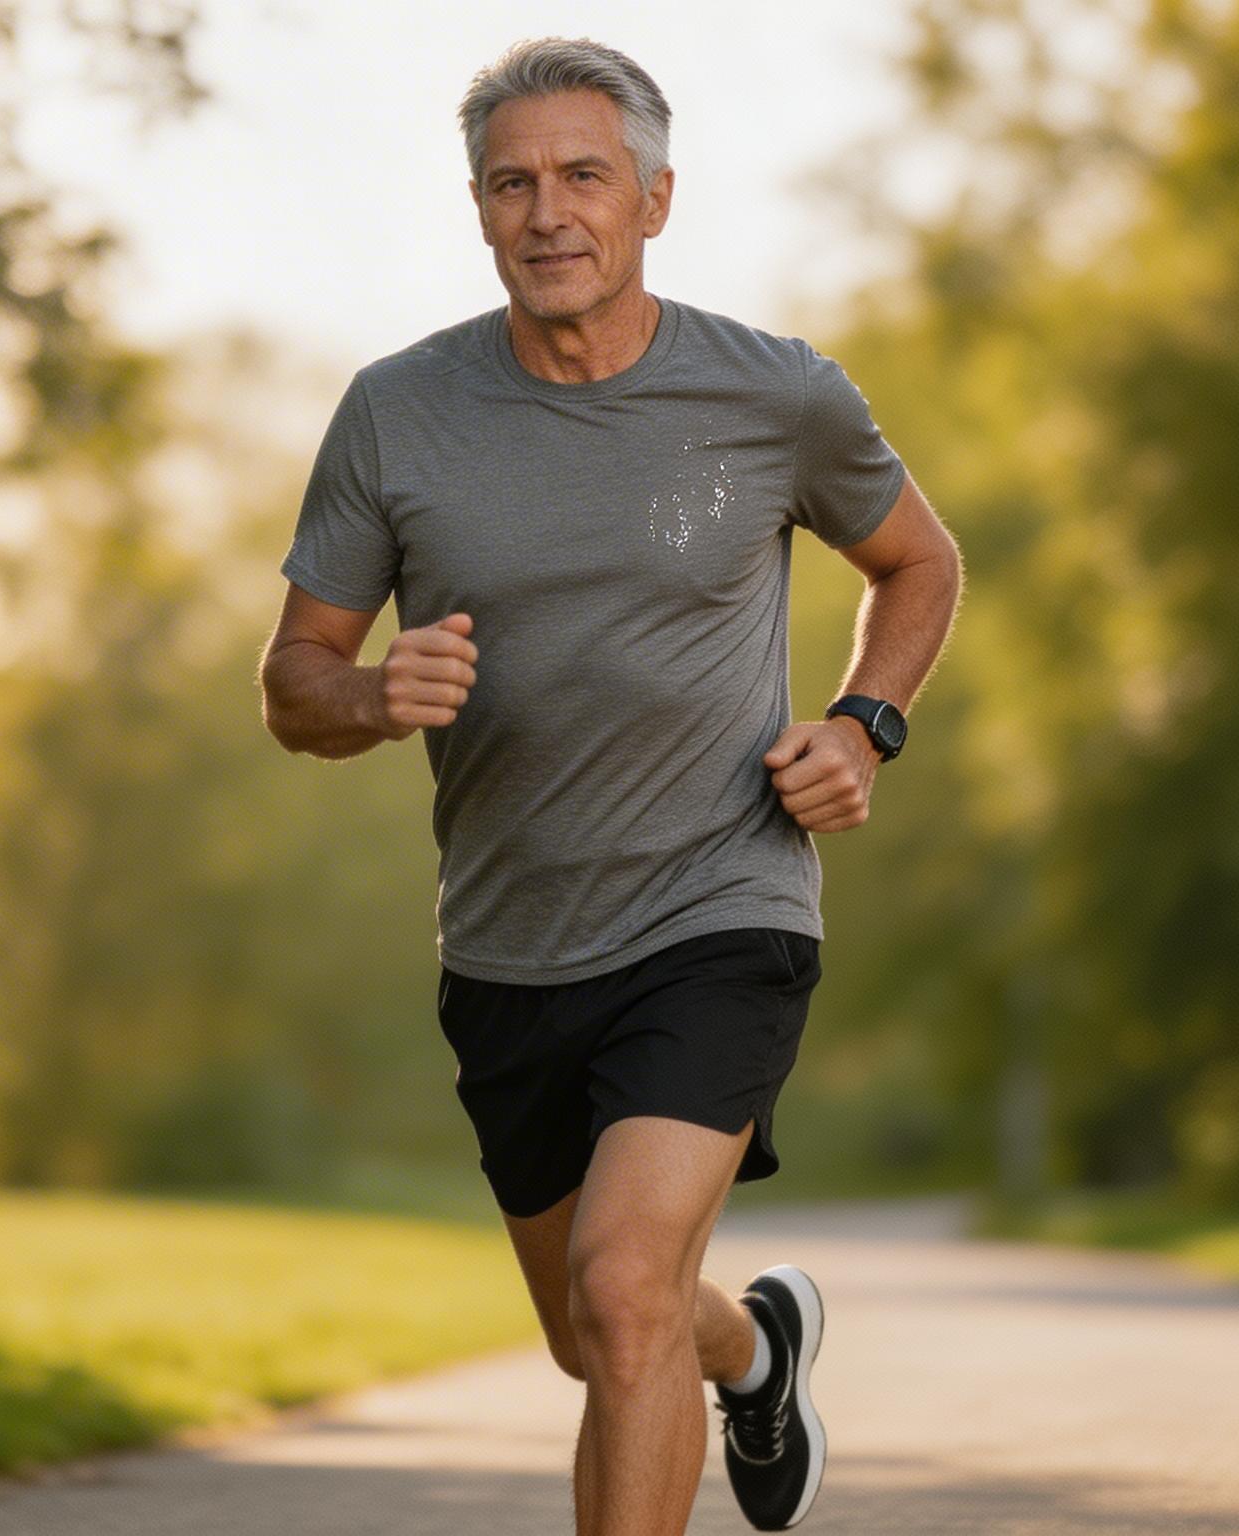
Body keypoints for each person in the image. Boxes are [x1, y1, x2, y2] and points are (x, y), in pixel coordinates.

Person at [258, 35, 961, 1535]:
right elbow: (292, 680)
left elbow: (919, 561)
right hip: (510, 940)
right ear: (478, 208)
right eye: (513, 183)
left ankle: (719, 1345)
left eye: (584, 175)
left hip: (723, 897)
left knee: (625, 1289)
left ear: (654, 198)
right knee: (604, 1330)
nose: (548, 211)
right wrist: (376, 695)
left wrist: (864, 725)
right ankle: (760, 1352)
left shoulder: (775, 396)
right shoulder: (399, 414)